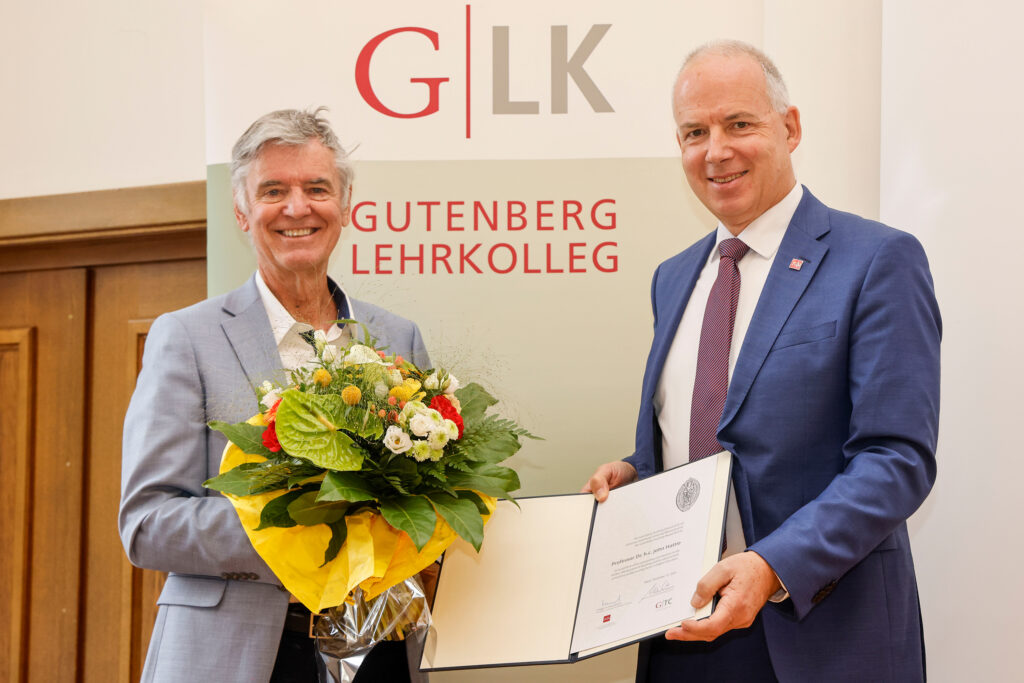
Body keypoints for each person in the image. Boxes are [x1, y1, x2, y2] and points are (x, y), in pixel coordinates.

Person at [583, 41, 939, 682]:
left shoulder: (878, 260)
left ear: (790, 127)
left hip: (822, 637)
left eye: (738, 124)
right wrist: (641, 474)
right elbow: (710, 438)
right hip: (682, 635)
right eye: (695, 132)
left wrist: (772, 564)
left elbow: (898, 458)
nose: (715, 150)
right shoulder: (674, 278)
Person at [119, 108, 430, 682]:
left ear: (346, 206)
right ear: (241, 211)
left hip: (381, 652)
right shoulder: (186, 337)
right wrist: (306, 529)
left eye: (317, 188)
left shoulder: (397, 337)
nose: (297, 207)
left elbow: (427, 502)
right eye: (273, 191)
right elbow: (147, 522)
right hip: (243, 656)